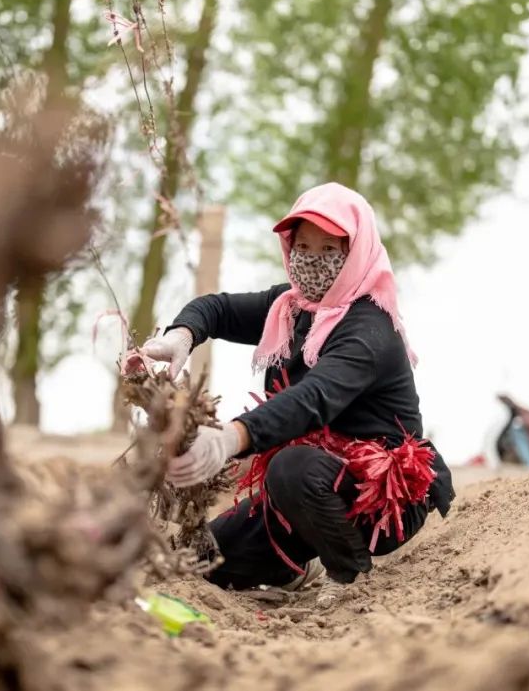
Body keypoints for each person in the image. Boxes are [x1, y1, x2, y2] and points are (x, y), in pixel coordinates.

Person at [138, 182, 455, 591]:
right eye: (303, 247)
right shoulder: (289, 308)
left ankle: (349, 572)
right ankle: (300, 565)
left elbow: (312, 398)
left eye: (329, 249)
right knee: (200, 558)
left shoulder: (368, 329)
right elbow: (216, 309)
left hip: (382, 497)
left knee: (292, 468)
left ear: (355, 252)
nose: (312, 260)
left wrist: (230, 438)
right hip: (306, 494)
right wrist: (181, 335)